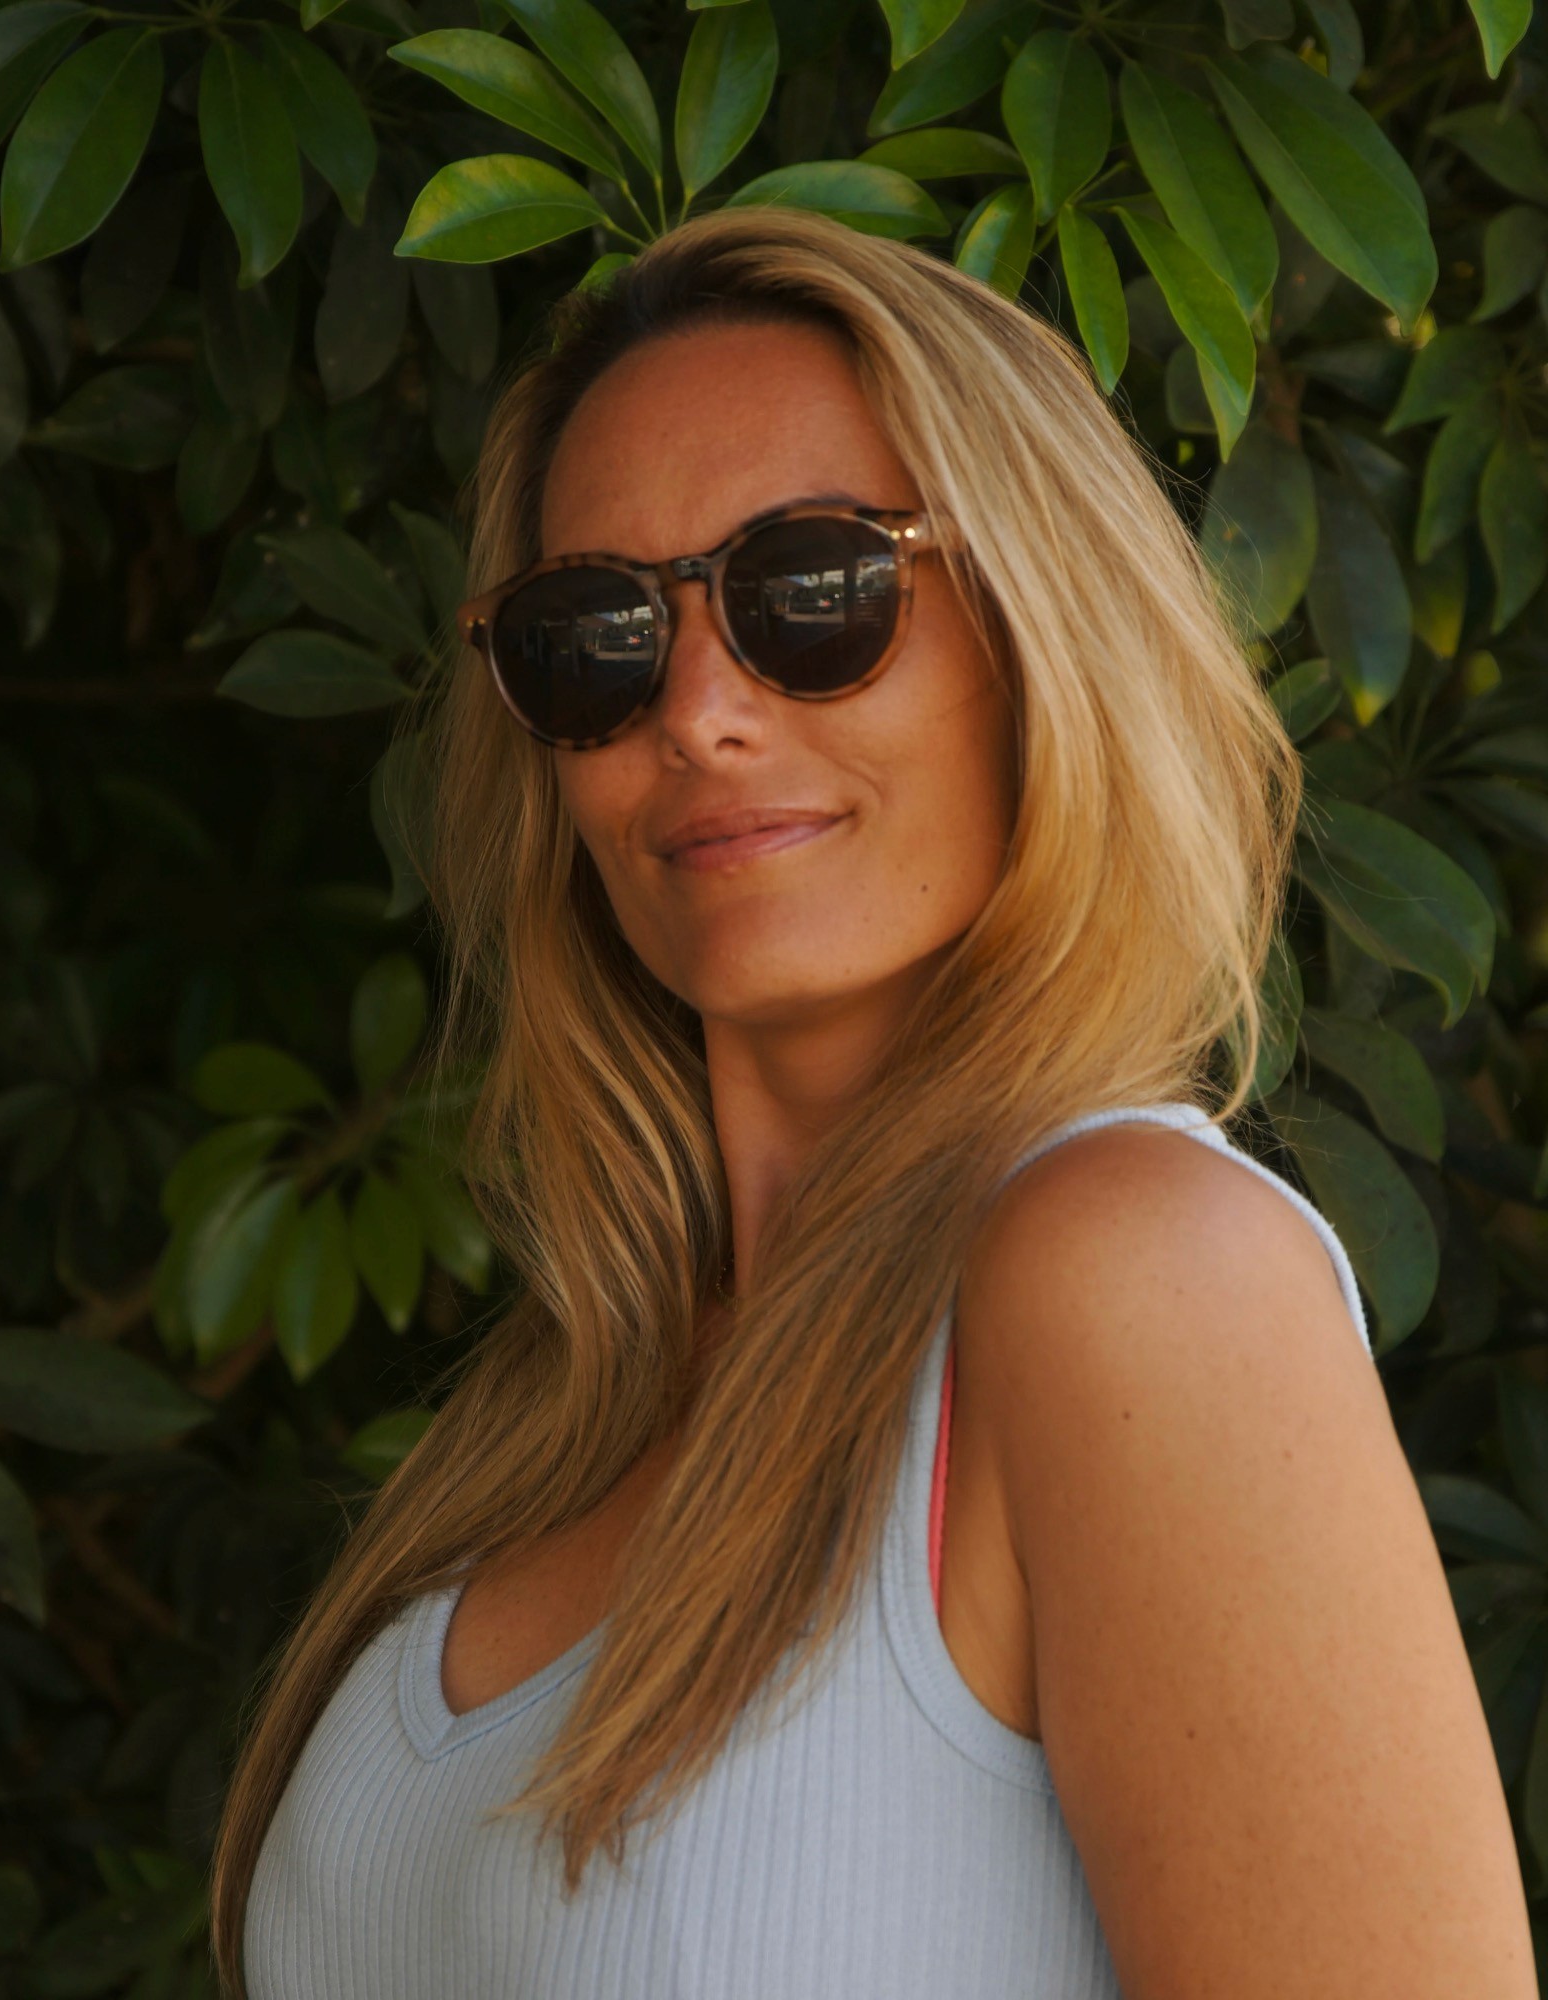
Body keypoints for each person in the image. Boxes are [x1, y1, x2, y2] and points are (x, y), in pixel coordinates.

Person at [212, 207, 1534, 1998]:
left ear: (1044, 626)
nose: (698, 712)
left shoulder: (1137, 1273)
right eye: (598, 636)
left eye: (815, 592)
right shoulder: (568, 1397)